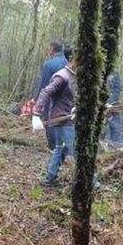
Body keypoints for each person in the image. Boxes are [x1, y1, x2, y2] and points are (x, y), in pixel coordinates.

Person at [32, 53, 77, 187]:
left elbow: (70, 98)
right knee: (76, 149)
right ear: (73, 59)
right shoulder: (62, 76)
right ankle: (91, 182)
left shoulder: (72, 76)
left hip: (67, 118)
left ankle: (49, 178)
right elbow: (46, 92)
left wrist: (75, 108)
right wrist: (36, 113)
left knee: (60, 149)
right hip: (62, 120)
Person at [33, 40, 68, 150]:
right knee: (64, 122)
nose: (48, 50)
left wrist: (37, 100)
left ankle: (54, 148)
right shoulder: (68, 62)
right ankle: (63, 146)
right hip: (67, 100)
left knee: (50, 122)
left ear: (52, 49)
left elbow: (44, 85)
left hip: (52, 99)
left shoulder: (49, 64)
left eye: (49, 48)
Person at [105, 71, 122, 144]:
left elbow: (117, 90)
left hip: (112, 105)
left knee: (115, 124)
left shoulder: (114, 73)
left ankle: (114, 143)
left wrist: (110, 102)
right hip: (102, 105)